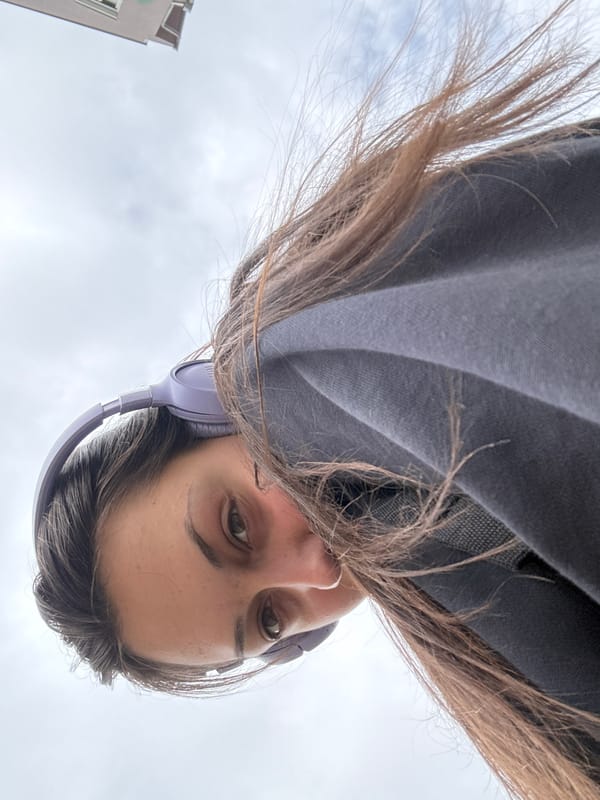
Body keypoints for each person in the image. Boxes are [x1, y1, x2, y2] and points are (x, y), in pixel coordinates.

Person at [32, 2, 600, 798]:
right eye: (270, 619)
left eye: (235, 524)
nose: (316, 570)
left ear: (209, 409)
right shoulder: (465, 611)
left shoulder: (289, 368)